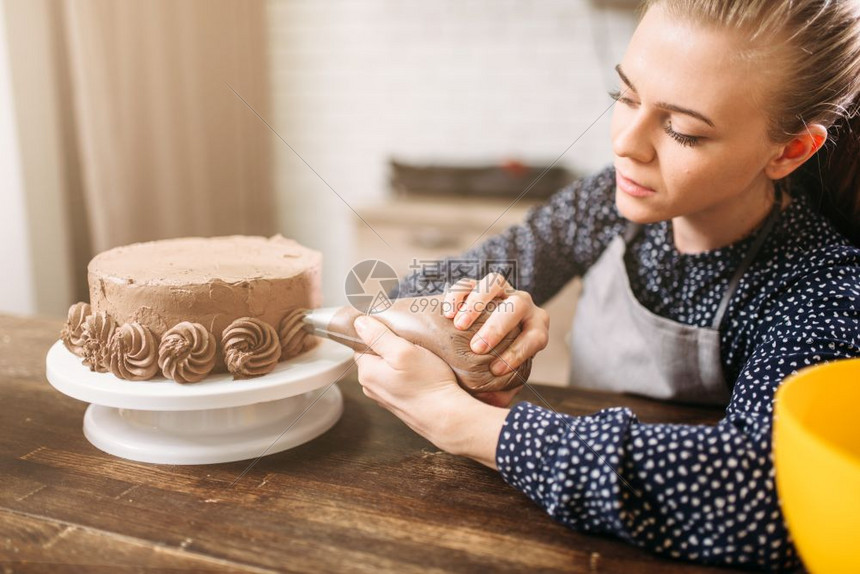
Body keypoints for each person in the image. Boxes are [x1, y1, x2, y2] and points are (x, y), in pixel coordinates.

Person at [352, 0, 860, 569]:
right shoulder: (602, 204)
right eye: (625, 97)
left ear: (790, 150)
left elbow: (762, 490)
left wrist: (472, 427)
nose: (626, 143)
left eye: (683, 130)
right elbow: (412, 294)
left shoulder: (819, 283)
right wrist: (472, 323)